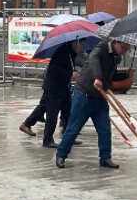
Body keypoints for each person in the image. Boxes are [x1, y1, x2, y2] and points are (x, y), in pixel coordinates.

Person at [55, 39, 130, 169]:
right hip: (85, 94)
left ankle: (105, 158)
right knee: (74, 128)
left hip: (100, 96)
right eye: (124, 48)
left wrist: (122, 77)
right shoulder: (100, 48)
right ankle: (61, 154)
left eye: (127, 49)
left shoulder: (114, 56)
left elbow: (110, 74)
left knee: (105, 130)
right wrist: (97, 78)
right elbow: (94, 62)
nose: (124, 52)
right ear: (116, 42)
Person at [20, 40, 84, 148]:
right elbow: (55, 69)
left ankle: (68, 137)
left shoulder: (70, 52)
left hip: (64, 86)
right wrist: (70, 74)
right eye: (81, 45)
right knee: (52, 114)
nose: (81, 48)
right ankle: (47, 140)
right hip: (54, 86)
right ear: (75, 43)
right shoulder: (61, 51)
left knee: (66, 112)